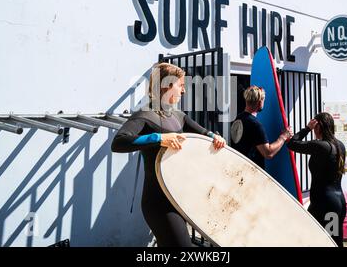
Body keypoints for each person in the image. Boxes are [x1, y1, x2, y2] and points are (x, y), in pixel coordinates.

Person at [111, 62, 226, 247]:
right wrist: (158, 138)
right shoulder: (144, 115)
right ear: (167, 85)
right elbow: (118, 143)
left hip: (180, 199)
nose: (183, 91)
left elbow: (204, 133)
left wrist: (216, 138)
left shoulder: (178, 115)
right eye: (181, 85)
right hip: (158, 203)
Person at [287, 112, 347, 247]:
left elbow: (292, 144)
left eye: (315, 127)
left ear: (318, 127)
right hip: (337, 202)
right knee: (332, 242)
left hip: (326, 204)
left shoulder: (321, 146)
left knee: (328, 243)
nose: (313, 130)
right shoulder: (340, 145)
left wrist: (307, 128)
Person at [230, 85, 292, 170]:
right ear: (260, 102)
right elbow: (268, 153)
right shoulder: (255, 124)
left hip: (237, 169)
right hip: (251, 174)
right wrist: (283, 137)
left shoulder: (237, 119)